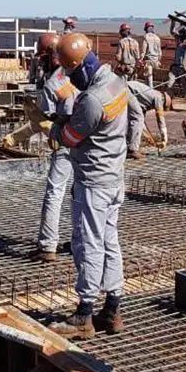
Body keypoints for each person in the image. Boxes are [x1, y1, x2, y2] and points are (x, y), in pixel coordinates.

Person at [47, 33, 129, 339]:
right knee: (110, 242)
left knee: (89, 243)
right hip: (114, 177)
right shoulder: (116, 83)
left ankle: (84, 314)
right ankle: (112, 310)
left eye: (70, 71)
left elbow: (70, 138)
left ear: (80, 66)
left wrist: (54, 128)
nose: (70, 78)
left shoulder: (92, 99)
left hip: (93, 182)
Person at [30, 33, 79, 263]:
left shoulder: (52, 84)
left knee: (55, 191)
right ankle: (81, 240)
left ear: (52, 56)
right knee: (81, 192)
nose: (41, 63)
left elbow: (45, 120)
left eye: (43, 58)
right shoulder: (80, 75)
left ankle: (48, 246)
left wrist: (31, 118)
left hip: (64, 141)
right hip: (86, 142)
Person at [125, 80, 171, 153]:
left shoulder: (145, 101)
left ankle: (129, 145)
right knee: (138, 117)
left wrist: (151, 140)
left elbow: (142, 125)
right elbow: (160, 118)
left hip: (125, 88)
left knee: (135, 119)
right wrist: (164, 136)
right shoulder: (159, 97)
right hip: (127, 89)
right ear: (164, 100)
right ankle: (132, 150)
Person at [141, 21, 162, 87]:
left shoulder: (146, 37)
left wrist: (141, 59)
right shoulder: (157, 38)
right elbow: (159, 52)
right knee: (151, 76)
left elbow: (143, 50)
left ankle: (150, 89)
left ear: (146, 29)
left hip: (148, 60)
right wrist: (158, 60)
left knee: (148, 77)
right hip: (156, 61)